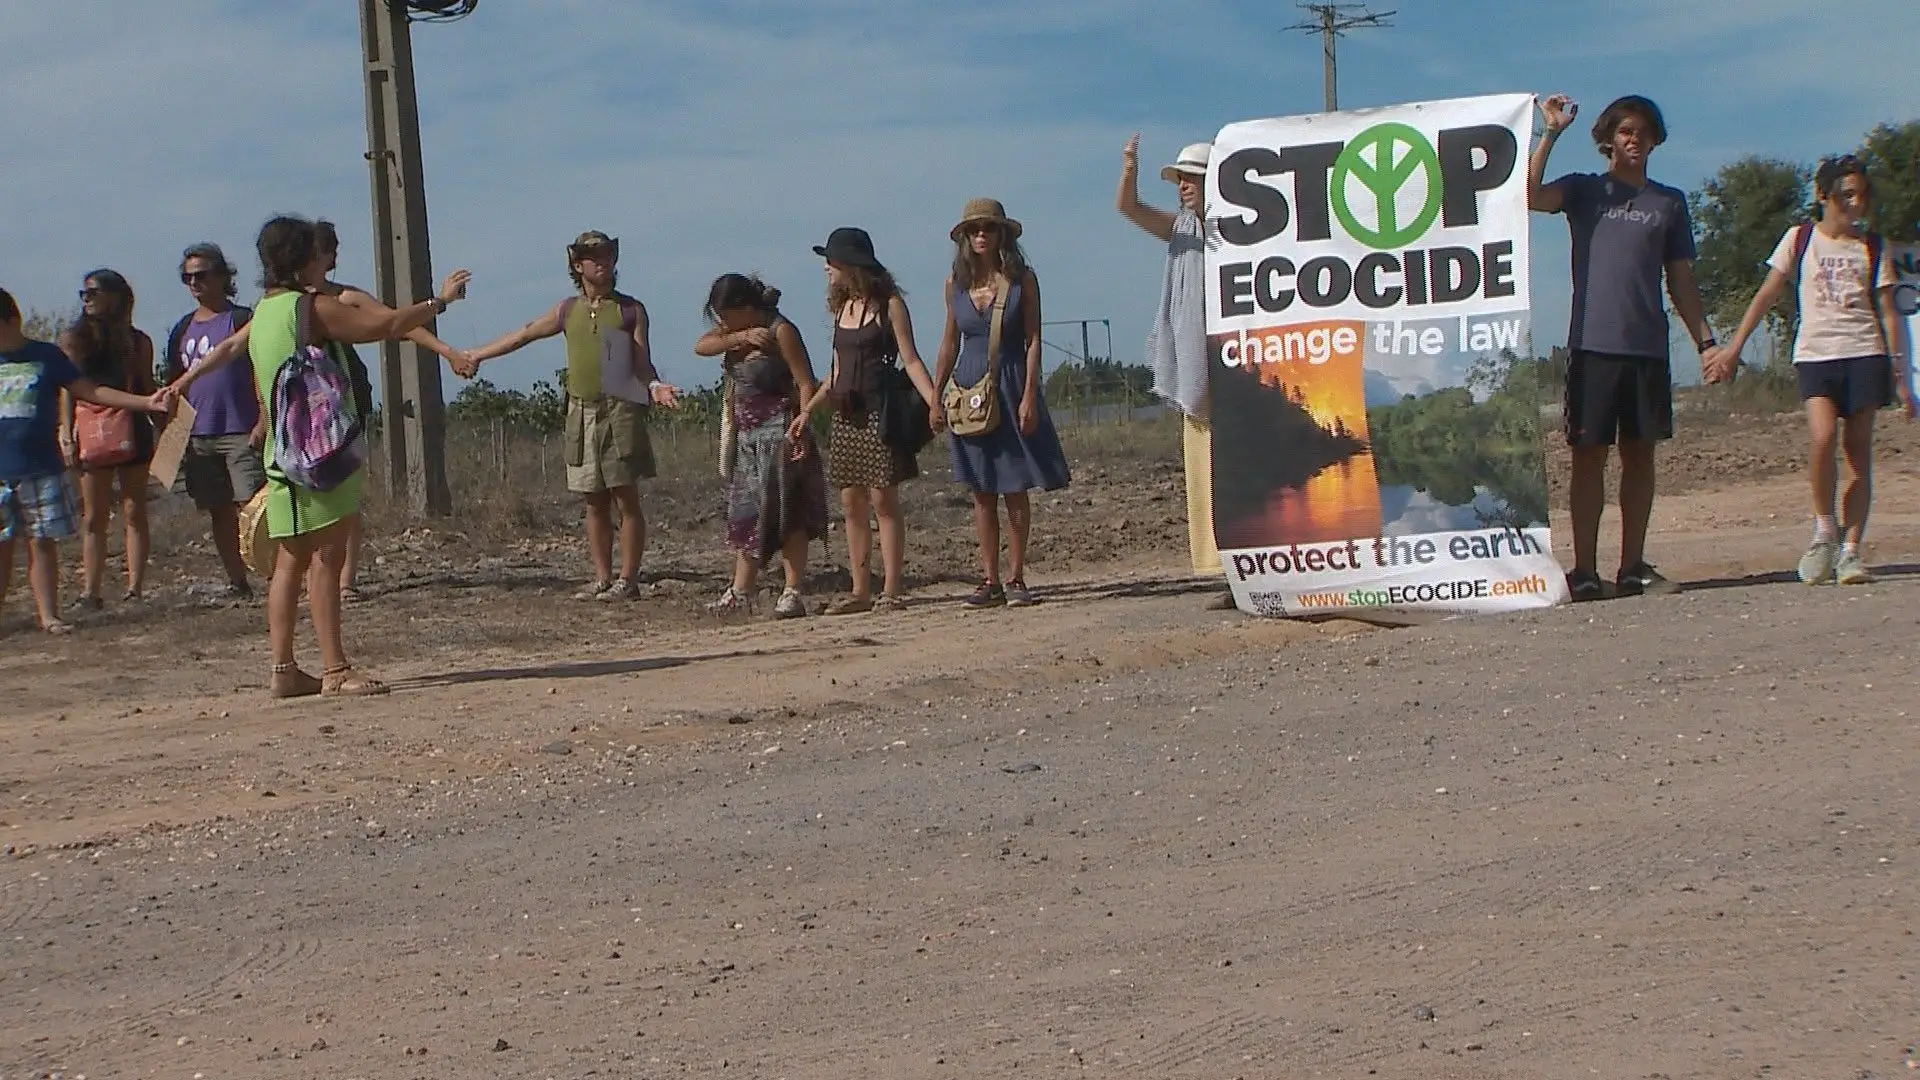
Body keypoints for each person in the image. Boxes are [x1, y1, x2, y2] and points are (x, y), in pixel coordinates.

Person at [165, 214, 471, 697]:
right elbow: (388, 325)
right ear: (302, 258)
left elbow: (242, 365)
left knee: (289, 559)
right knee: (327, 556)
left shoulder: (262, 313)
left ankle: (284, 670)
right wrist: (441, 301)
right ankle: (335, 669)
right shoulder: (311, 309)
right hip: (320, 450)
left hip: (279, 451)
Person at [1528, 94, 1714, 600]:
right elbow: (1527, 194)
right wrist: (1551, 133)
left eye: (1644, 132)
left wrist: (1706, 341)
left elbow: (1681, 279)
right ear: (1609, 138)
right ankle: (1585, 572)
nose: (1635, 140)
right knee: (1588, 456)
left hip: (1647, 349)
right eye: (1626, 131)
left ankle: (1632, 568)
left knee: (1640, 456)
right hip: (1592, 345)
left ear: (1655, 140)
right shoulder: (1586, 192)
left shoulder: (1669, 202)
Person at [1703, 155, 1911, 585]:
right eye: (1845, 195)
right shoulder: (1799, 240)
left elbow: (1891, 313)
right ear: (1823, 196)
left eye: (1862, 195)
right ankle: (1824, 531)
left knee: (1857, 455)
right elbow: (1766, 294)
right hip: (1816, 355)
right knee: (1820, 438)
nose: (1855, 204)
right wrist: (1733, 348)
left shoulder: (1873, 246)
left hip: (1864, 354)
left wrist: (1902, 373)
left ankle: (1851, 551)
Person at [463, 231, 681, 601]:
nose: (603, 263)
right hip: (581, 410)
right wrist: (478, 354)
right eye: (594, 257)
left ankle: (628, 580)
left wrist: (656, 386)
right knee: (593, 499)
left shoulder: (629, 310)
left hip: (620, 407)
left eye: (608, 255)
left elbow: (641, 363)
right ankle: (601, 577)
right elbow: (524, 335)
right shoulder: (569, 310)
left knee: (625, 497)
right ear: (578, 265)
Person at [310, 219, 465, 604]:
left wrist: (447, 351)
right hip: (301, 412)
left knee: (345, 493)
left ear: (329, 257)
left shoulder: (346, 298)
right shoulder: (285, 302)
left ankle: (346, 580)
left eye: (319, 250)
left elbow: (398, 324)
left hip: (342, 406)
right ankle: (314, 574)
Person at [1, 286, 168, 634]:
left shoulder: (46, 355)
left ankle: (48, 615)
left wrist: (146, 403)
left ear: (8, 320)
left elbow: (90, 391)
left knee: (42, 542)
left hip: (38, 466)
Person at [791, 227, 940, 615]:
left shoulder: (890, 306)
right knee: (851, 503)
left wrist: (934, 402)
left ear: (851, 265)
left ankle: (891, 589)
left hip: (880, 412)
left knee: (882, 499)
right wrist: (808, 412)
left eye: (832, 261)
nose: (826, 268)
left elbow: (910, 359)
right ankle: (860, 591)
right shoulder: (841, 310)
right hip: (846, 414)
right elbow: (836, 371)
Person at [931, 198, 1071, 608]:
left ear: (1001, 235)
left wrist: (1030, 394)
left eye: (988, 229)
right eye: (973, 230)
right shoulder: (953, 284)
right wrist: (936, 396)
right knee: (981, 489)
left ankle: (1017, 577)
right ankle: (988, 578)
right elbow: (948, 342)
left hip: (1009, 385)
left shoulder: (1022, 281)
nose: (980, 236)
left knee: (1014, 486)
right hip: (968, 388)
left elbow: (1032, 340)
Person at [1116, 135, 1234, 609]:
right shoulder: (1182, 229)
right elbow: (1130, 208)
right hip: (1198, 369)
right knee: (1205, 470)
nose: (1184, 185)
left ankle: (1253, 565)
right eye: (1181, 178)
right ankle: (1225, 570)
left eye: (1194, 177)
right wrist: (1129, 167)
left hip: (1235, 365)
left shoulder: (1238, 231)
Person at [692, 273, 828, 617]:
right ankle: (741, 589)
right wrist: (737, 337)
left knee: (788, 514)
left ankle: (792, 590)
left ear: (745, 306)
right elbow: (701, 346)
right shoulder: (733, 336)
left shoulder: (781, 331)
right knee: (745, 515)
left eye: (727, 314)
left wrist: (802, 424)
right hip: (747, 439)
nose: (723, 321)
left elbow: (804, 382)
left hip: (781, 433)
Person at [161, 243, 263, 600]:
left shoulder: (242, 320)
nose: (194, 283)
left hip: (241, 428)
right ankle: (238, 582)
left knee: (253, 507)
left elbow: (264, 372)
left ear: (222, 276)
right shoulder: (182, 329)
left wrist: (263, 421)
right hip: (199, 433)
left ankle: (277, 576)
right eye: (187, 277)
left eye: (201, 275)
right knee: (219, 511)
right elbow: (174, 382)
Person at [59, 269, 158, 609]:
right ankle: (91, 591)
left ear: (115, 297)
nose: (86, 299)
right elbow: (68, 388)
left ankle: (135, 588)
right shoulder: (74, 340)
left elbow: (146, 385)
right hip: (90, 427)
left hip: (133, 426)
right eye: (83, 293)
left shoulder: (137, 341)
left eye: (93, 292)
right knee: (93, 514)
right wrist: (65, 431)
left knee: (134, 509)